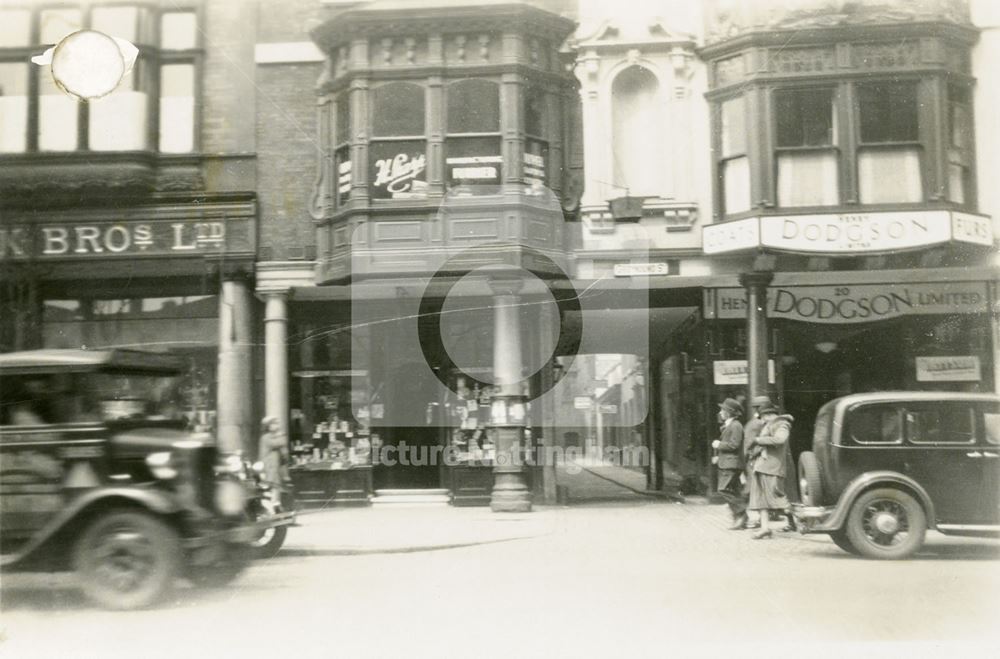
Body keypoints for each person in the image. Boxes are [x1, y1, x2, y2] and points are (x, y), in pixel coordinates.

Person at [747, 403, 794, 540]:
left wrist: (758, 440)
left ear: (768, 415)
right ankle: (765, 528)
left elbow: (780, 439)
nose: (762, 420)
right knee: (761, 499)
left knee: (778, 498)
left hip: (773, 467)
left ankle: (800, 520)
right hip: (763, 466)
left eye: (763, 417)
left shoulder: (782, 424)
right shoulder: (768, 425)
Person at [712, 398, 746, 529]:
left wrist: (719, 444)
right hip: (728, 463)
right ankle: (739, 519)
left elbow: (734, 444)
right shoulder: (729, 425)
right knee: (734, 490)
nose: (720, 412)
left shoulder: (736, 425)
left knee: (723, 489)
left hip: (732, 463)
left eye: (723, 410)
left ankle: (742, 511)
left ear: (729, 412)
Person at [741, 395, 773, 529]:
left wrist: (745, 459)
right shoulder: (769, 422)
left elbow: (748, 443)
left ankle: (742, 518)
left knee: (751, 491)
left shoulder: (755, 423)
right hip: (766, 460)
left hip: (755, 460)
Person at [258, 416, 290, 484]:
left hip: (275, 468)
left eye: (277, 423)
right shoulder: (266, 437)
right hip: (269, 467)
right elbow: (280, 442)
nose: (277, 426)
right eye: (274, 423)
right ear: (269, 426)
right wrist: (280, 435)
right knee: (270, 487)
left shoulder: (273, 436)